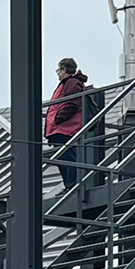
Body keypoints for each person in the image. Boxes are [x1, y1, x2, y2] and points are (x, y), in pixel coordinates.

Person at [45, 58, 89, 190]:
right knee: (62, 158)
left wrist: (58, 119)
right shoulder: (70, 83)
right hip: (59, 128)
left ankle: (71, 185)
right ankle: (69, 185)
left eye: (58, 70)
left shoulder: (72, 83)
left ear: (64, 69)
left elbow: (72, 104)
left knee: (67, 156)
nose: (57, 73)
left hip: (64, 128)